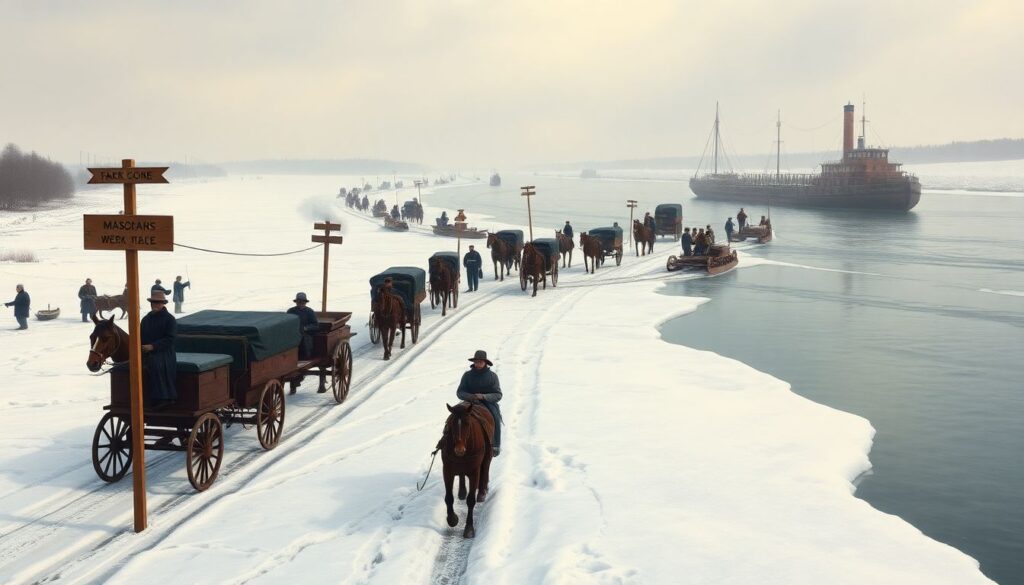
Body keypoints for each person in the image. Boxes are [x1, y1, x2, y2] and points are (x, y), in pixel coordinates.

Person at [456, 350, 503, 456]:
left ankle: (495, 445)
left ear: (485, 362)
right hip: (469, 401)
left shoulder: (493, 376)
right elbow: (460, 392)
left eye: (481, 362)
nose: (478, 364)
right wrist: (470, 396)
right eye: (476, 362)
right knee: (455, 416)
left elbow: (498, 394)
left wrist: (484, 396)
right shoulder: (467, 375)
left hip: (487, 403)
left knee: (495, 417)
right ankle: (447, 441)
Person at [140, 290, 177, 409]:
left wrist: (153, 346)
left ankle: (164, 397)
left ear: (163, 304)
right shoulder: (146, 319)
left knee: (155, 364)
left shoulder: (170, 319)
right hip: (145, 351)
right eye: (154, 302)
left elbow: (170, 339)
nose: (155, 305)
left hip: (164, 353)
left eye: (158, 303)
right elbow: (140, 336)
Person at [287, 292, 320, 393]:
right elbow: (285, 323)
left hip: (306, 336)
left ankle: (303, 360)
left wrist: (306, 328)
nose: (300, 303)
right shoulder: (291, 311)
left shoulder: (309, 312)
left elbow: (315, 325)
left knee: (303, 343)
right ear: (296, 302)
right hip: (293, 335)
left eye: (302, 302)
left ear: (305, 302)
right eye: (299, 302)